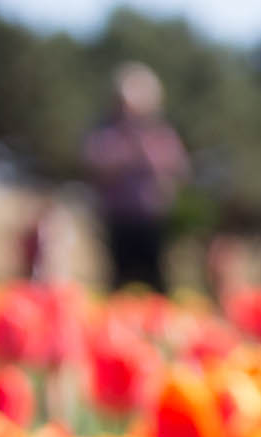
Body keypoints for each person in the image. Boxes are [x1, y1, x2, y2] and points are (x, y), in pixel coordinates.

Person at [83, 63, 188, 293]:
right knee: (119, 281)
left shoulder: (161, 134)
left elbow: (178, 168)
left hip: (153, 221)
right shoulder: (107, 133)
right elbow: (99, 165)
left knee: (156, 281)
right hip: (118, 220)